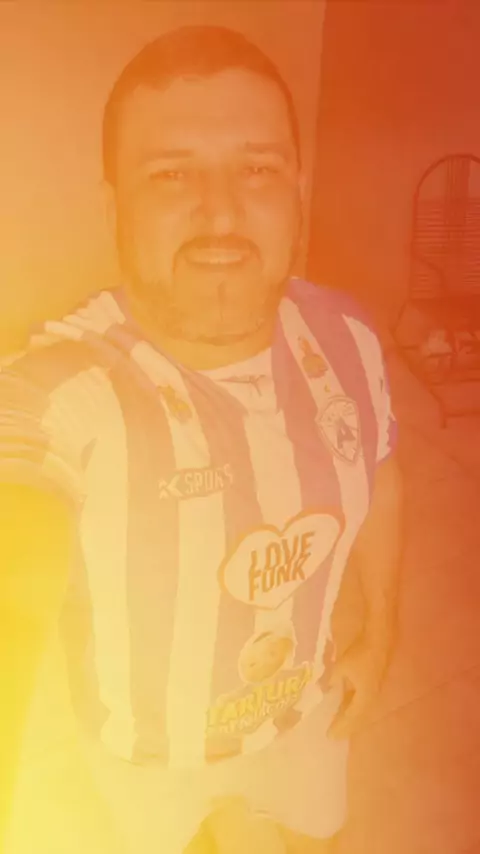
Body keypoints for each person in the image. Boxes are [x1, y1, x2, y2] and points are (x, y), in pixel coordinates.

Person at [0, 25, 403, 854]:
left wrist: (381, 632)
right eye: (171, 174)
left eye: (257, 169)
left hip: (305, 711)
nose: (221, 212)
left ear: (297, 189)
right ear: (115, 207)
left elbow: (383, 471)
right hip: (144, 755)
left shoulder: (351, 340)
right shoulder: (66, 390)